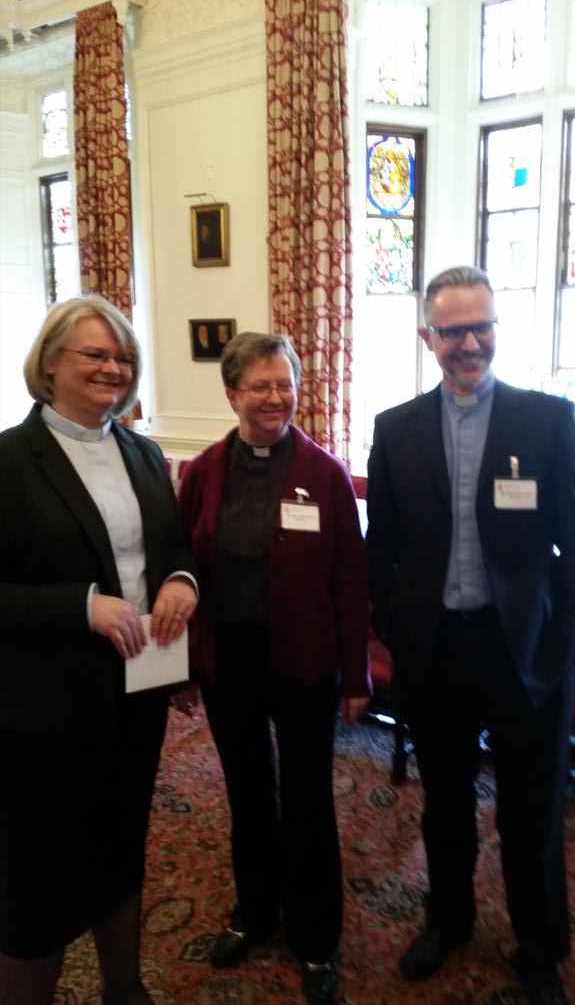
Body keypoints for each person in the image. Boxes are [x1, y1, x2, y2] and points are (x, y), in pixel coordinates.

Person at [366, 265, 575, 1005]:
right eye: (453, 330)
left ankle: (541, 948)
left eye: (481, 325)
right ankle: (447, 921)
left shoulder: (550, 421)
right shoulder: (394, 429)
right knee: (445, 799)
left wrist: (563, 638)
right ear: (428, 337)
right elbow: (380, 545)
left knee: (532, 808)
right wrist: (394, 621)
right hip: (436, 650)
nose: (469, 342)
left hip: (525, 652)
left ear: (495, 326)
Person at [0, 295, 199, 1005]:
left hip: (136, 696)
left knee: (119, 847)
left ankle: (126, 988)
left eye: (123, 358)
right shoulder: (9, 461)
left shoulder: (143, 453)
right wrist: (80, 605)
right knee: (40, 876)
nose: (113, 368)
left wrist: (181, 582)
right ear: (50, 362)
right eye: (95, 355)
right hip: (44, 713)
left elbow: (173, 548)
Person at [177, 332, 370, 1005]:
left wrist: (355, 677)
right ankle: (256, 914)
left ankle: (316, 939)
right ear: (231, 394)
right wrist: (182, 665)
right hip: (229, 660)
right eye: (259, 386)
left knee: (310, 800)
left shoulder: (324, 474)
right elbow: (182, 570)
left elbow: (350, 581)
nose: (275, 398)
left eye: (284, 384)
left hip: (305, 661)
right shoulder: (200, 472)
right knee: (248, 794)